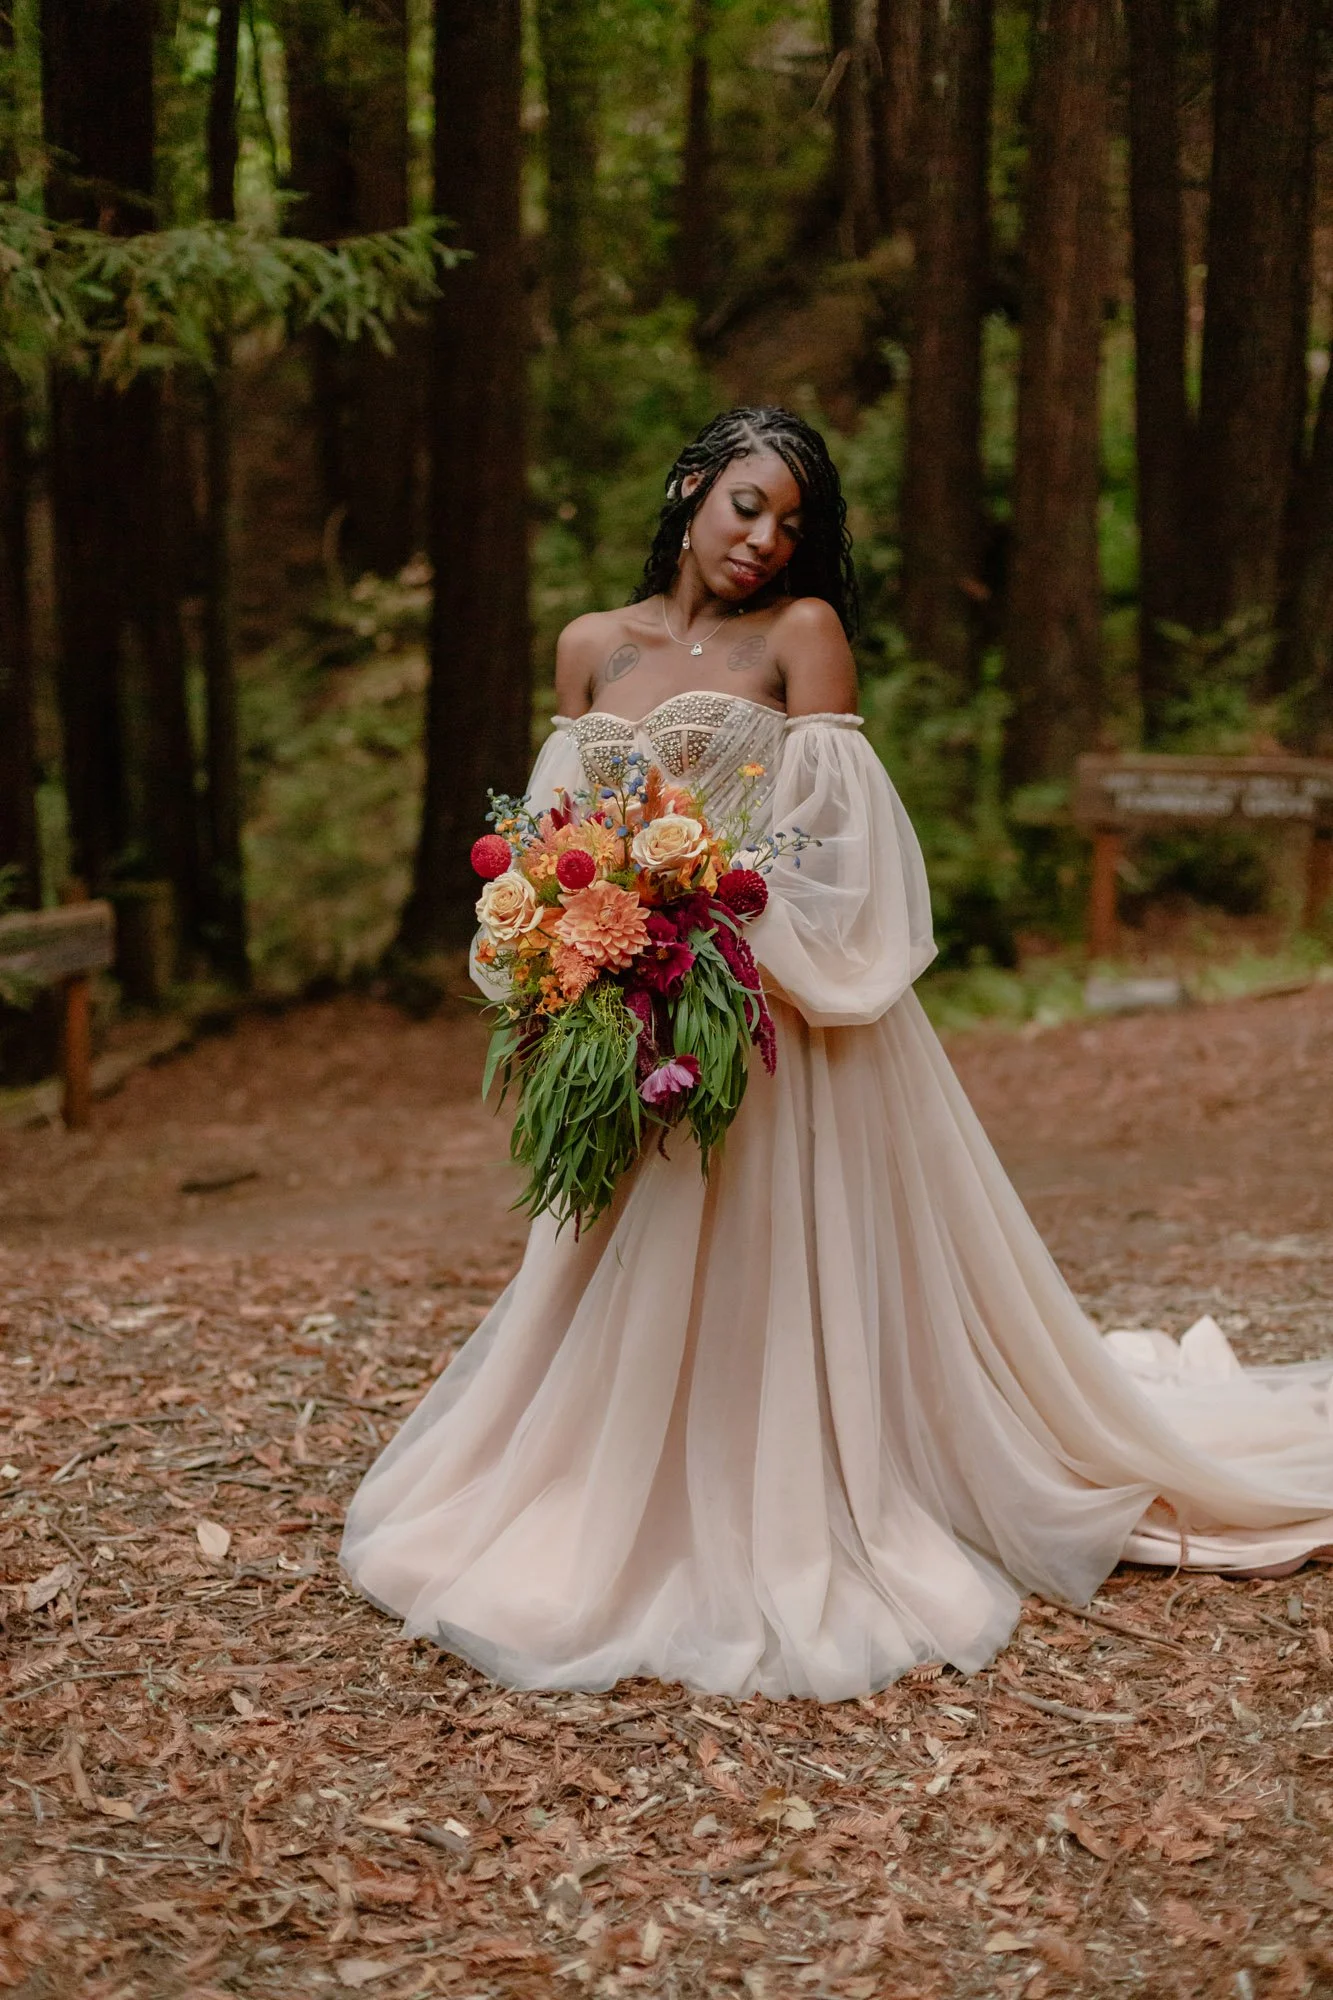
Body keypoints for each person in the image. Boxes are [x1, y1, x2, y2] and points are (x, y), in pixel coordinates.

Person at [341, 406, 1333, 1700]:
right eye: (747, 506)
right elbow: (557, 835)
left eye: (794, 525)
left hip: (776, 1022)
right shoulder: (590, 645)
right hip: (634, 1022)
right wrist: (585, 964)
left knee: (773, 1270)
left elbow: (833, 849)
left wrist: (701, 934)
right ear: (693, 486)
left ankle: (793, 1506)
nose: (765, 541)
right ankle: (608, 1500)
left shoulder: (803, 638)